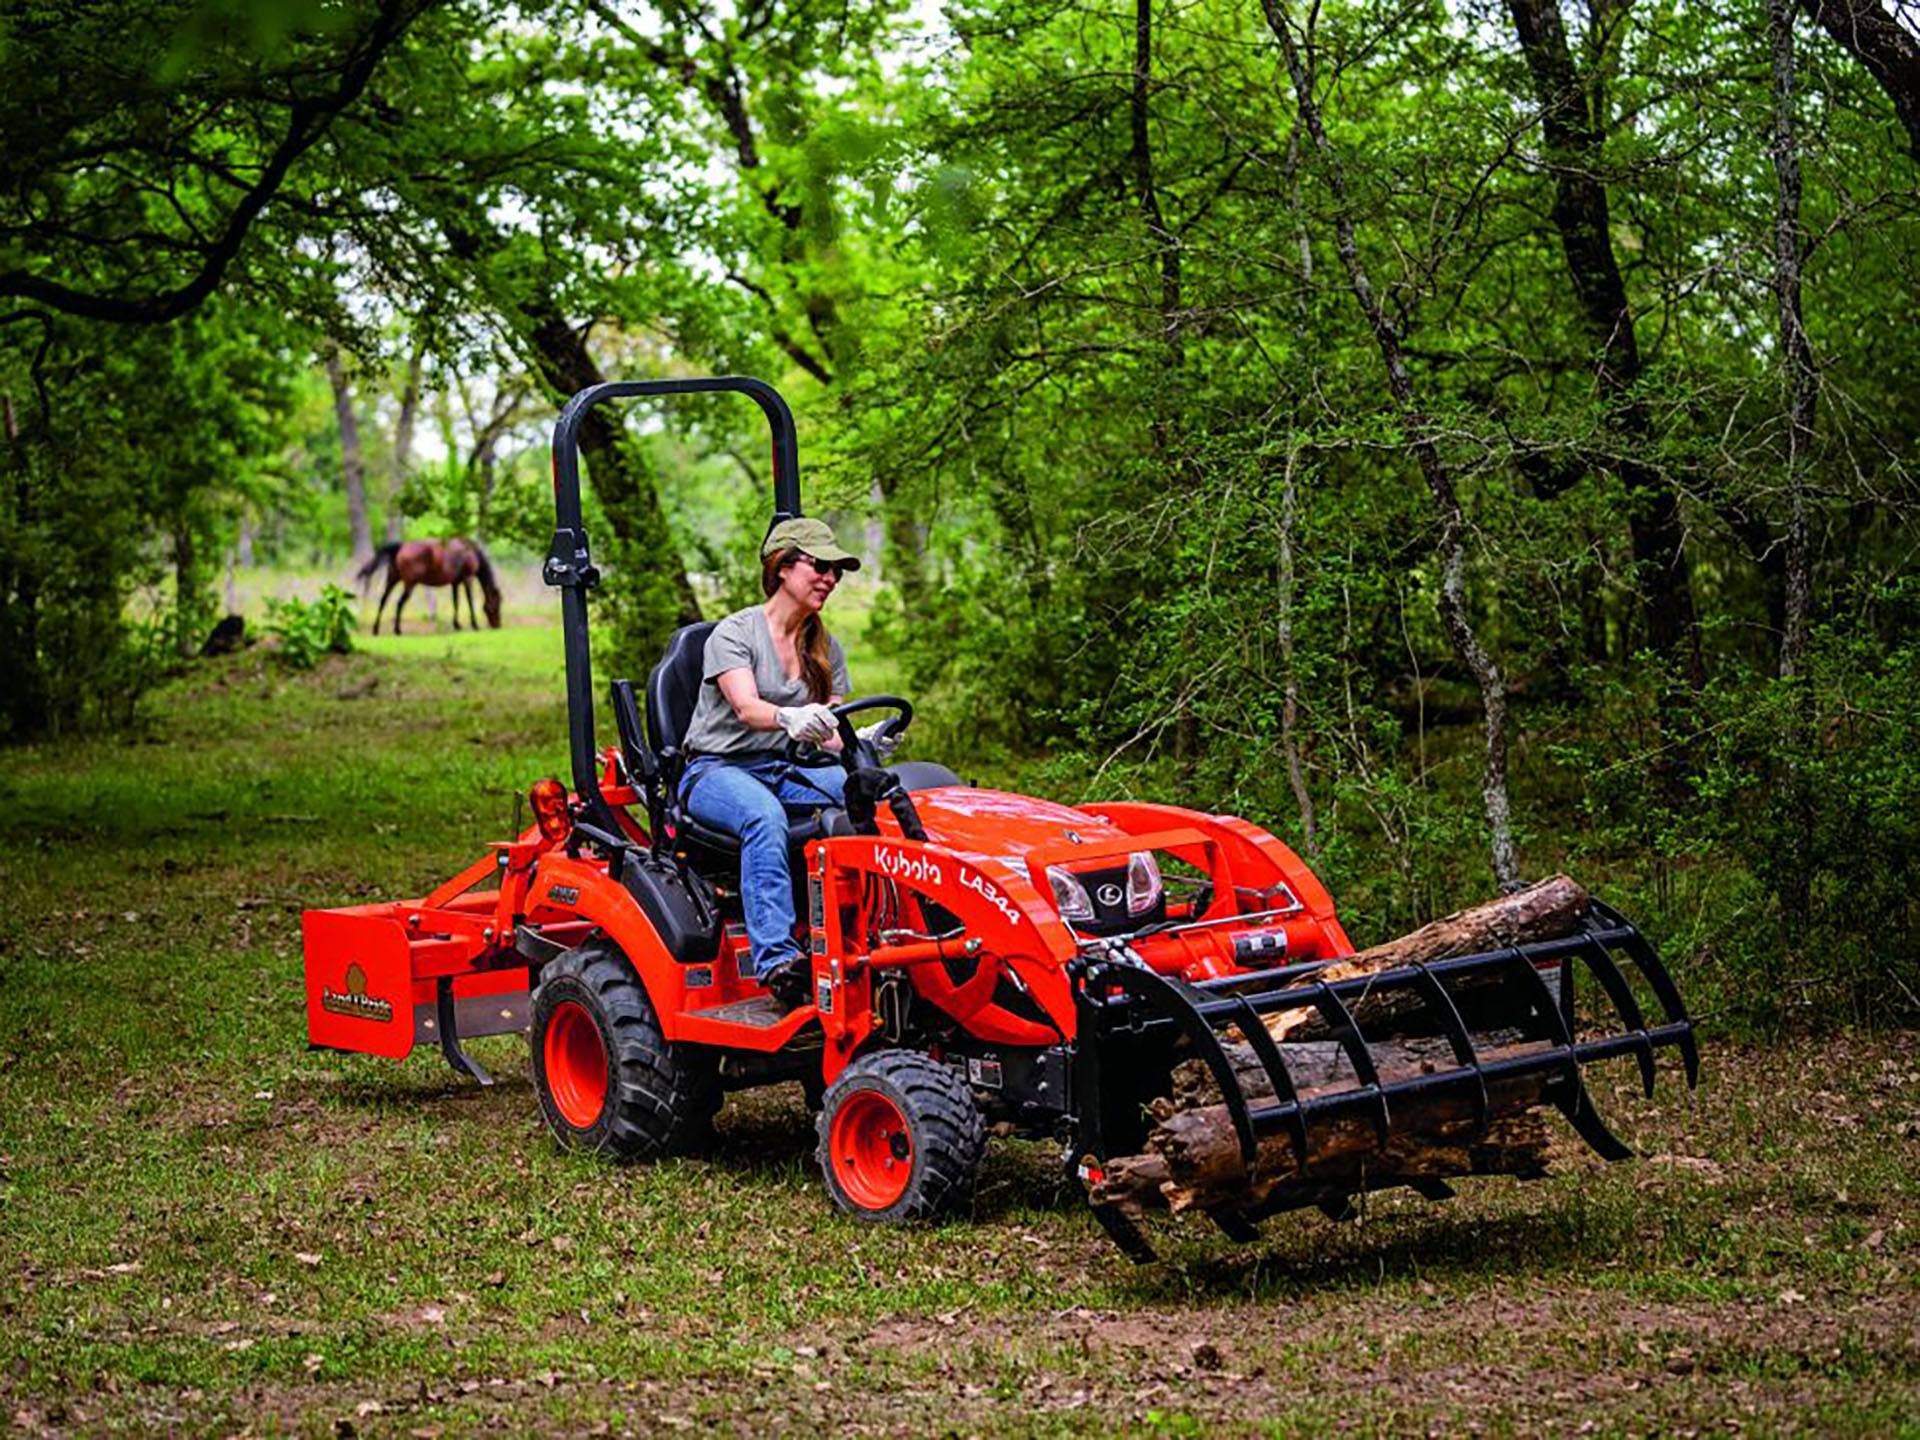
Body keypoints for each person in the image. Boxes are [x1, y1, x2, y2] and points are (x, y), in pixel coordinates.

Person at [678, 517, 892, 1003]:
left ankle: (881, 936)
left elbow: (831, 733)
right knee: (762, 816)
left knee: (868, 798)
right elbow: (747, 708)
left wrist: (861, 740)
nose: (830, 579)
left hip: (790, 769)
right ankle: (778, 961)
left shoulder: (823, 646)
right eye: (820, 566)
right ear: (782, 567)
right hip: (717, 770)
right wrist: (791, 717)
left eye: (836, 571)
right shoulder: (735, 634)